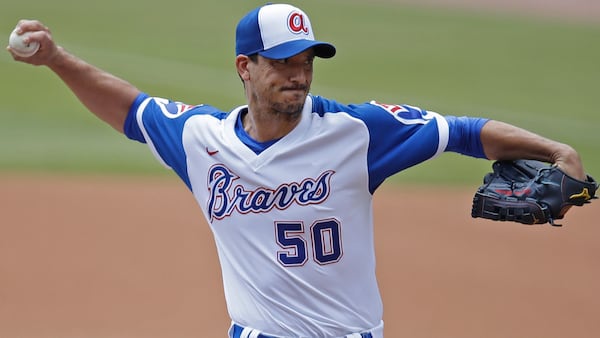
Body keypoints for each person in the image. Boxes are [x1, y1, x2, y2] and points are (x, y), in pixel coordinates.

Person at [7, 3, 588, 338]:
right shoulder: (200, 140)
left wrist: (556, 150)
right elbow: (130, 108)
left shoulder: (358, 131)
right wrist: (57, 59)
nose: (299, 75)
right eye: (283, 62)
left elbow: (463, 132)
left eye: (306, 61)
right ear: (246, 66)